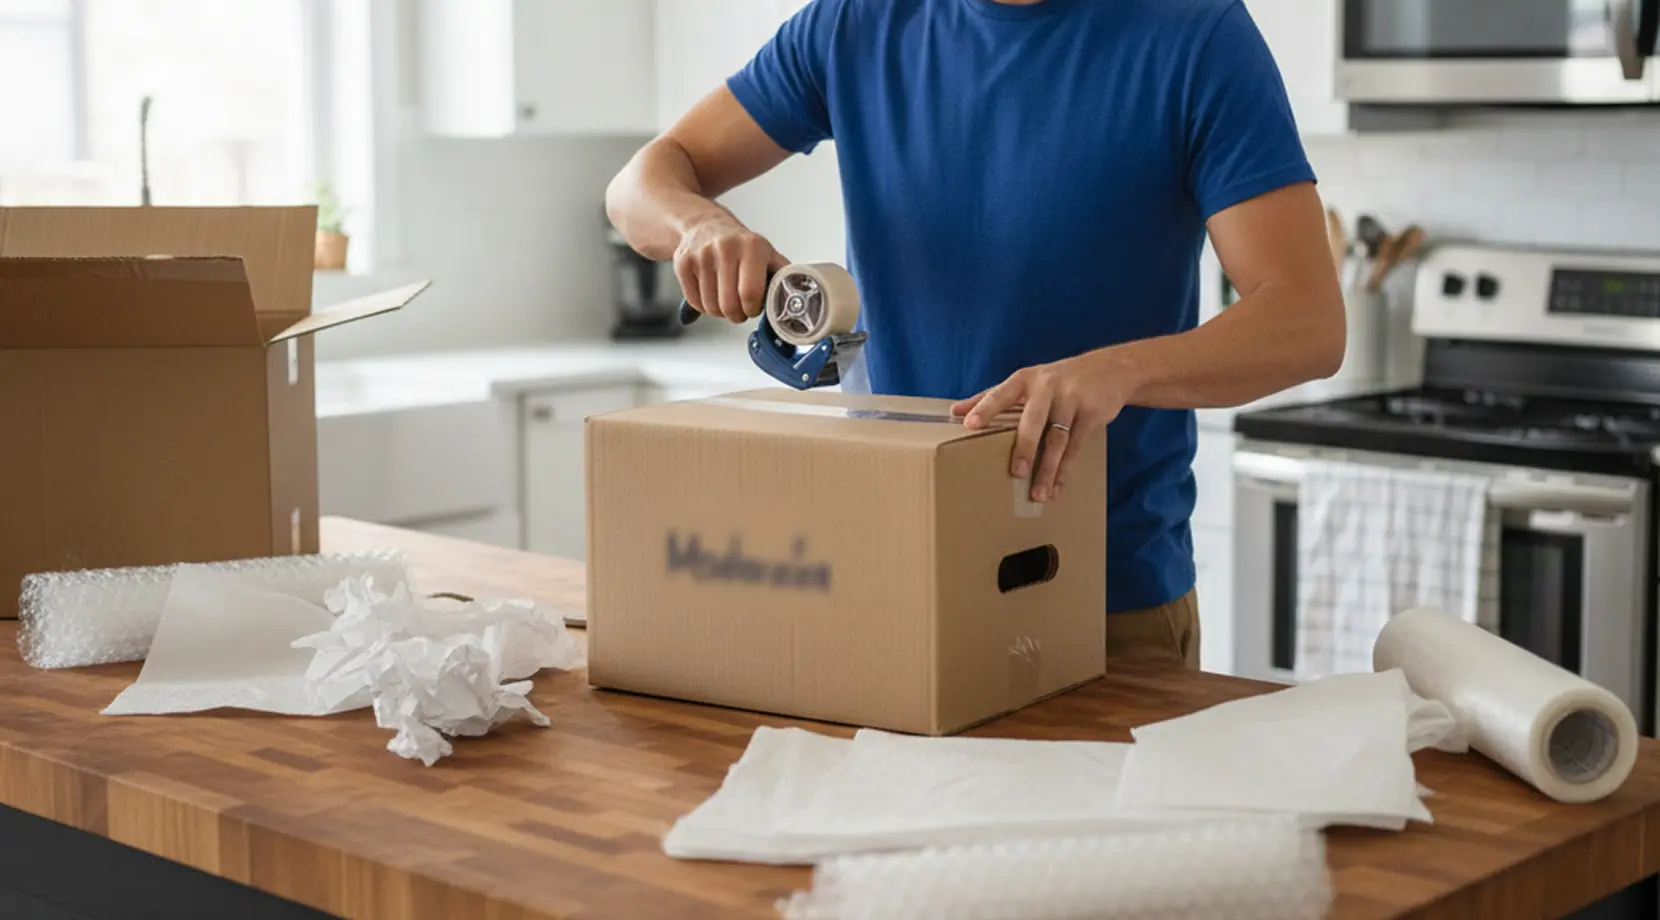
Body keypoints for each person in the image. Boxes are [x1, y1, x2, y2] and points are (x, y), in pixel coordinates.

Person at [605, 0, 1345, 668]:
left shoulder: (1196, 34)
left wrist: (1116, 371)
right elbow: (640, 184)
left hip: (1099, 599)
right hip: (881, 580)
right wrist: (698, 225)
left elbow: (1306, 320)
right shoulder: (853, 24)